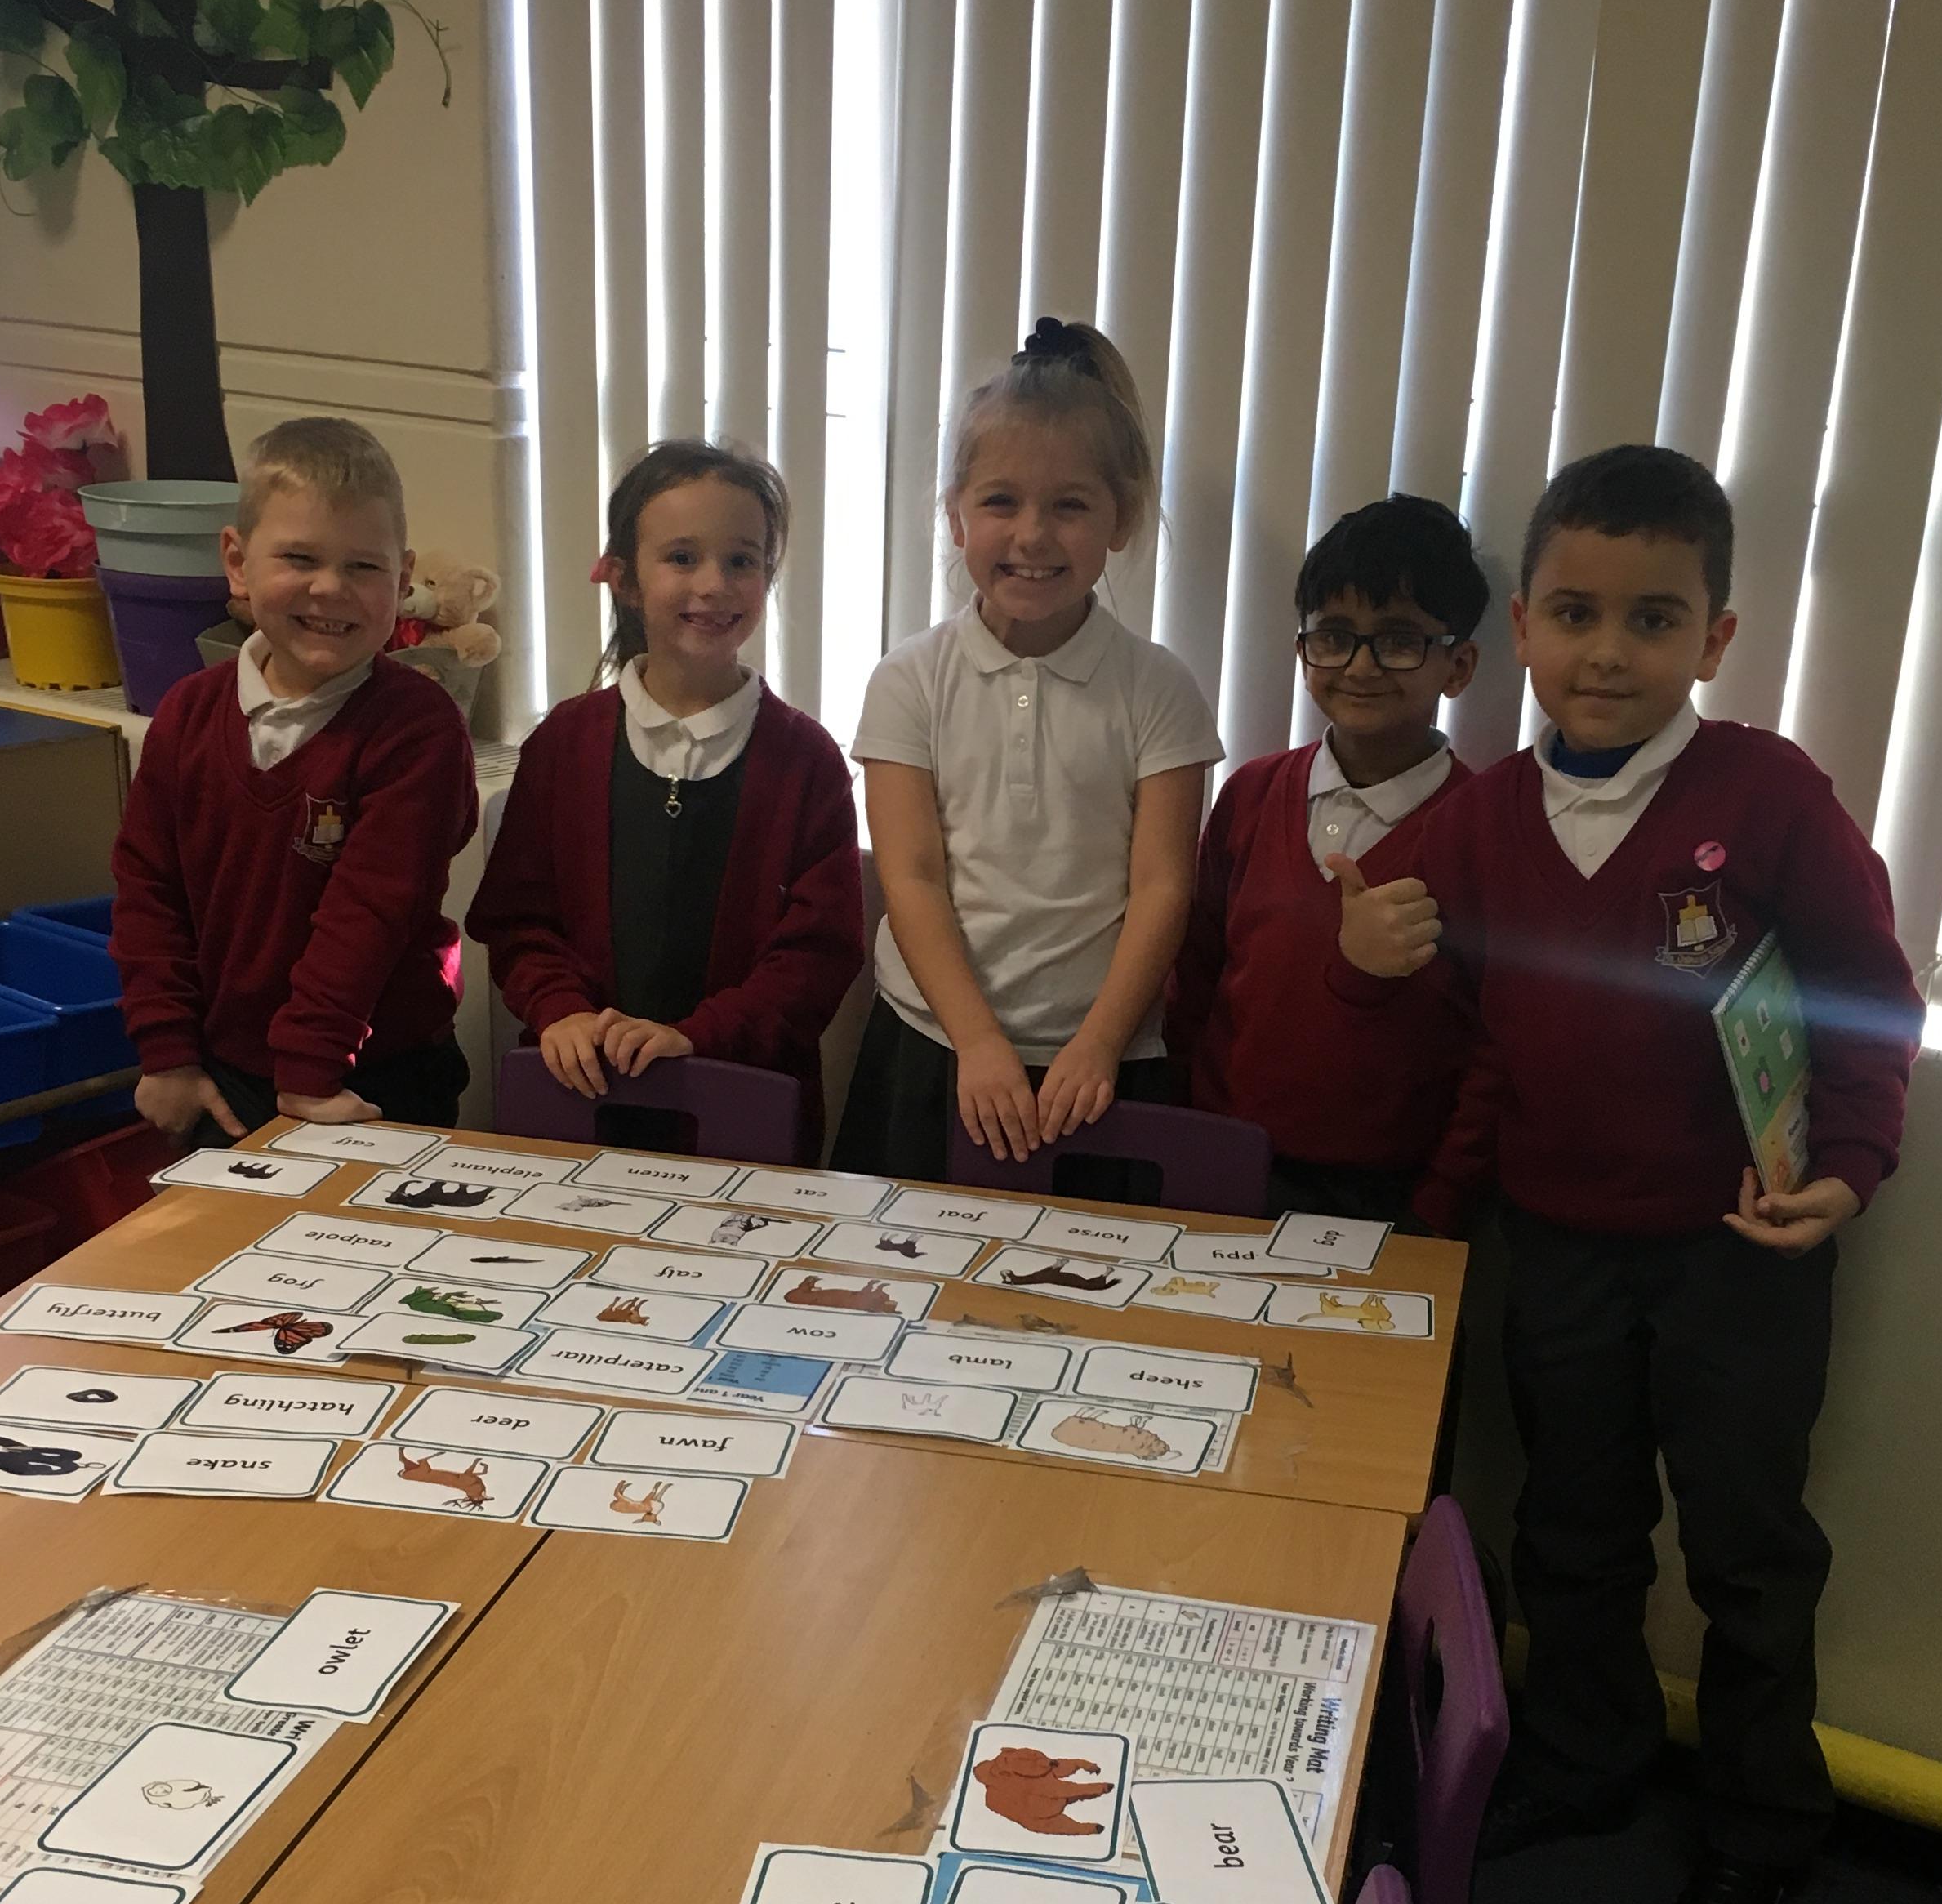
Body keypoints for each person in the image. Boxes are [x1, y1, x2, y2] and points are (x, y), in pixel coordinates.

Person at [1335, 444, 1922, 1904]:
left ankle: (1758, 1828)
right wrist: (1365, 951)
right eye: (1578, 615)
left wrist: (1853, 1162)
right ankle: (1582, 1758)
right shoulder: (1482, 819)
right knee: (1572, 1525)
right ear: (1523, 627)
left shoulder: (1766, 795)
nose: (1608, 653)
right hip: (1557, 1242)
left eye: (1652, 620)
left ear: (1711, 639)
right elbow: (1412, 973)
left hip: (1740, 1248)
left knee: (1745, 1548)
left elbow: (1868, 992)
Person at [835, 318, 1219, 1179]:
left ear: (1120, 518)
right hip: (935, 1046)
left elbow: (1163, 886)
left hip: (1099, 1065)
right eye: (1001, 501)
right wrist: (977, 1041)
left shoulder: (1160, 688)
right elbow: (912, 877)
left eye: (1070, 505)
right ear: (956, 515)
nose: (1033, 535)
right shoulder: (908, 680)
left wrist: (1100, 1043)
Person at [467, 439, 862, 1162]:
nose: (714, 584)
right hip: (579, 1097)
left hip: (745, 1113)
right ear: (624, 579)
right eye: (682, 557)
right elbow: (519, 922)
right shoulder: (564, 744)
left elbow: (818, 955)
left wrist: (698, 1037)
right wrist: (561, 1011)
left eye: (741, 560)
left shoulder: (806, 760)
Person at [112, 415, 478, 1139]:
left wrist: (311, 1070)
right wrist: (167, 1051)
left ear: (403, 580)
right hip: (221, 1072)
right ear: (237, 562)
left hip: (373, 1073)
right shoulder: (188, 712)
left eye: (364, 567)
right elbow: (149, 890)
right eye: (300, 558)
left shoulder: (418, 729)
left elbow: (371, 912)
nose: (330, 588)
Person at [1169, 493, 1483, 1226]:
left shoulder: (1482, 828)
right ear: (1303, 649)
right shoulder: (1251, 794)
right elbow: (1197, 977)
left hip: (1391, 1191)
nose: (1361, 666)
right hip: (1228, 1162)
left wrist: (1442, 1201)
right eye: (1335, 636)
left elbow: (1489, 1040)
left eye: (1399, 639)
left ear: (1459, 664)